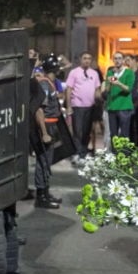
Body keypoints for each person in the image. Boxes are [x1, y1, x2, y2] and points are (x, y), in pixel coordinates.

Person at [32, 53, 64, 208]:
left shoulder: (50, 82)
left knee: (47, 161)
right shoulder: (45, 83)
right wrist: (44, 133)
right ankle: (41, 196)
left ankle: (45, 191)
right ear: (55, 69)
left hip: (52, 125)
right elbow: (39, 109)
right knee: (43, 161)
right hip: (47, 126)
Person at [64, 51, 101, 164]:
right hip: (77, 106)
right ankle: (77, 153)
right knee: (78, 131)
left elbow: (97, 90)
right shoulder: (74, 72)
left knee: (86, 131)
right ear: (81, 59)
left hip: (90, 107)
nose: (87, 60)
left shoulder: (94, 74)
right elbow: (69, 89)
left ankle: (83, 153)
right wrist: (69, 106)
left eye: (89, 58)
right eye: (85, 58)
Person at [101, 51, 136, 148]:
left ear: (124, 60)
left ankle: (124, 156)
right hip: (112, 106)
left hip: (124, 107)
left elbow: (129, 89)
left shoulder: (129, 72)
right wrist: (108, 84)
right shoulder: (110, 72)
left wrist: (118, 83)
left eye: (120, 58)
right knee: (113, 134)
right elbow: (107, 90)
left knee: (124, 135)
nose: (117, 61)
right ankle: (114, 155)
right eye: (115, 58)